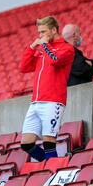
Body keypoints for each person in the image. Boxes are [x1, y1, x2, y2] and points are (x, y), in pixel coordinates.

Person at [20, 16, 75, 161]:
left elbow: (55, 60)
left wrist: (45, 46)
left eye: (43, 32)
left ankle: (53, 170)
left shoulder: (67, 48)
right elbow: (24, 67)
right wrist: (32, 47)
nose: (40, 36)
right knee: (26, 143)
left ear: (54, 30)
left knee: (49, 141)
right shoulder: (43, 50)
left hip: (53, 100)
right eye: (39, 32)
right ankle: (49, 163)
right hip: (36, 101)